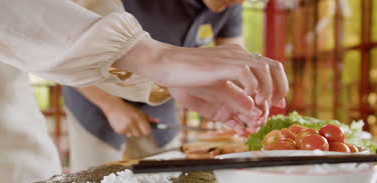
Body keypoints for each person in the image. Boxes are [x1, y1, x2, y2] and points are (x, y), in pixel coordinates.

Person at [0, 0, 288, 183]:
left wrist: (163, 75)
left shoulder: (230, 12)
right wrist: (152, 59)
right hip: (94, 97)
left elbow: (86, 4)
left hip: (10, 85)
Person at [62, 0, 251, 171]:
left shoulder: (231, 6)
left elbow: (232, 66)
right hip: (96, 98)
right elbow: (72, 50)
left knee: (169, 177)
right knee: (96, 182)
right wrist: (112, 107)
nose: (241, 2)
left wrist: (238, 106)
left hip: (161, 103)